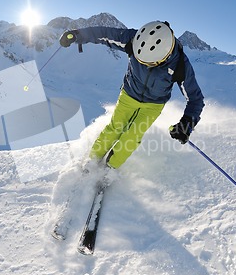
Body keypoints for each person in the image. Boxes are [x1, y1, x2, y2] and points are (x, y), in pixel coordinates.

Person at [59, 21, 205, 170]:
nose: (146, 65)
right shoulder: (133, 40)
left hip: (153, 105)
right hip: (129, 94)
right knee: (115, 128)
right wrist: (77, 35)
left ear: (164, 57)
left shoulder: (180, 64)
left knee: (132, 136)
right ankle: (91, 163)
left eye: (150, 63)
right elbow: (104, 33)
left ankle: (109, 170)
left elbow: (195, 99)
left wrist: (187, 124)